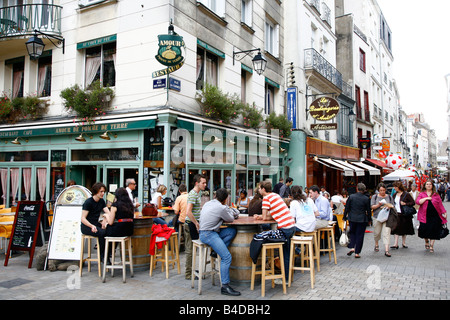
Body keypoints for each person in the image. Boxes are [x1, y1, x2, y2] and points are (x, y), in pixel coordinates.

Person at [199, 188, 240, 296]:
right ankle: (225, 287)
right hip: (209, 234)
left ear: (215, 196)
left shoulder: (208, 203)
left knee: (231, 231)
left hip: (205, 232)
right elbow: (231, 218)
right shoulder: (221, 208)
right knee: (226, 257)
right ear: (226, 199)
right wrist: (232, 209)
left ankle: (215, 251)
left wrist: (227, 208)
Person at [254, 180, 296, 282]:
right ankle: (287, 277)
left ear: (263, 189)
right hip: (291, 226)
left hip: (284, 228)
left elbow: (265, 218)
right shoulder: (275, 196)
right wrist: (261, 216)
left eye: (259, 188)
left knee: (260, 239)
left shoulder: (266, 198)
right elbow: (272, 214)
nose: (259, 190)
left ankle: (284, 278)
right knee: (287, 253)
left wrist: (261, 217)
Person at [184, 174, 207, 280]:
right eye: (203, 183)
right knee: (190, 249)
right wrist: (196, 223)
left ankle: (192, 270)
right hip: (190, 224)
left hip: (193, 223)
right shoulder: (193, 194)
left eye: (205, 182)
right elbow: (188, 212)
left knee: (193, 248)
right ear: (197, 183)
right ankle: (188, 274)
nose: (205, 185)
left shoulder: (198, 194)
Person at [81, 182, 111, 261]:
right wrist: (91, 226)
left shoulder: (101, 201)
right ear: (96, 191)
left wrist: (105, 218)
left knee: (110, 231)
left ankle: (107, 254)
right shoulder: (88, 202)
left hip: (95, 224)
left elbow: (108, 213)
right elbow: (83, 218)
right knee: (102, 233)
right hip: (86, 226)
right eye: (101, 191)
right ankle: (103, 257)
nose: (103, 193)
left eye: (104, 191)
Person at [416, 180, 448, 253]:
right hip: (424, 216)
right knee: (424, 230)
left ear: (432, 186)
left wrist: (444, 212)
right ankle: (426, 241)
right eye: (427, 184)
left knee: (434, 230)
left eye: (430, 184)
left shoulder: (436, 195)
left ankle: (431, 246)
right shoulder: (422, 194)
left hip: (435, 216)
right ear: (425, 186)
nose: (428, 185)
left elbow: (440, 205)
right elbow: (418, 202)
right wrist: (426, 198)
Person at [343, 183, 371, 258]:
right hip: (362, 218)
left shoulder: (351, 197)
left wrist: (344, 216)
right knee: (360, 235)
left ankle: (352, 247)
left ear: (357, 188)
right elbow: (368, 210)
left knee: (353, 233)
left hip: (352, 218)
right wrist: (369, 219)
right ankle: (357, 252)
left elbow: (347, 208)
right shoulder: (366, 198)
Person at [371, 183, 395, 257]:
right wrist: (379, 205)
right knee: (377, 232)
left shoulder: (389, 197)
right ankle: (376, 244)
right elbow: (372, 206)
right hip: (377, 217)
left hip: (387, 217)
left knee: (386, 233)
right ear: (378, 190)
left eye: (383, 190)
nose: (382, 192)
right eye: (381, 190)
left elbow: (393, 205)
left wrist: (388, 206)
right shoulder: (374, 197)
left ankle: (386, 250)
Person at [391, 181, 415, 249]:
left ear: (399, 187)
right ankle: (395, 243)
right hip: (396, 213)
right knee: (396, 228)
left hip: (404, 214)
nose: (394, 188)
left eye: (395, 186)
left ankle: (403, 243)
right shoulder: (395, 194)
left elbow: (413, 202)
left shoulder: (406, 194)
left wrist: (405, 204)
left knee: (404, 228)